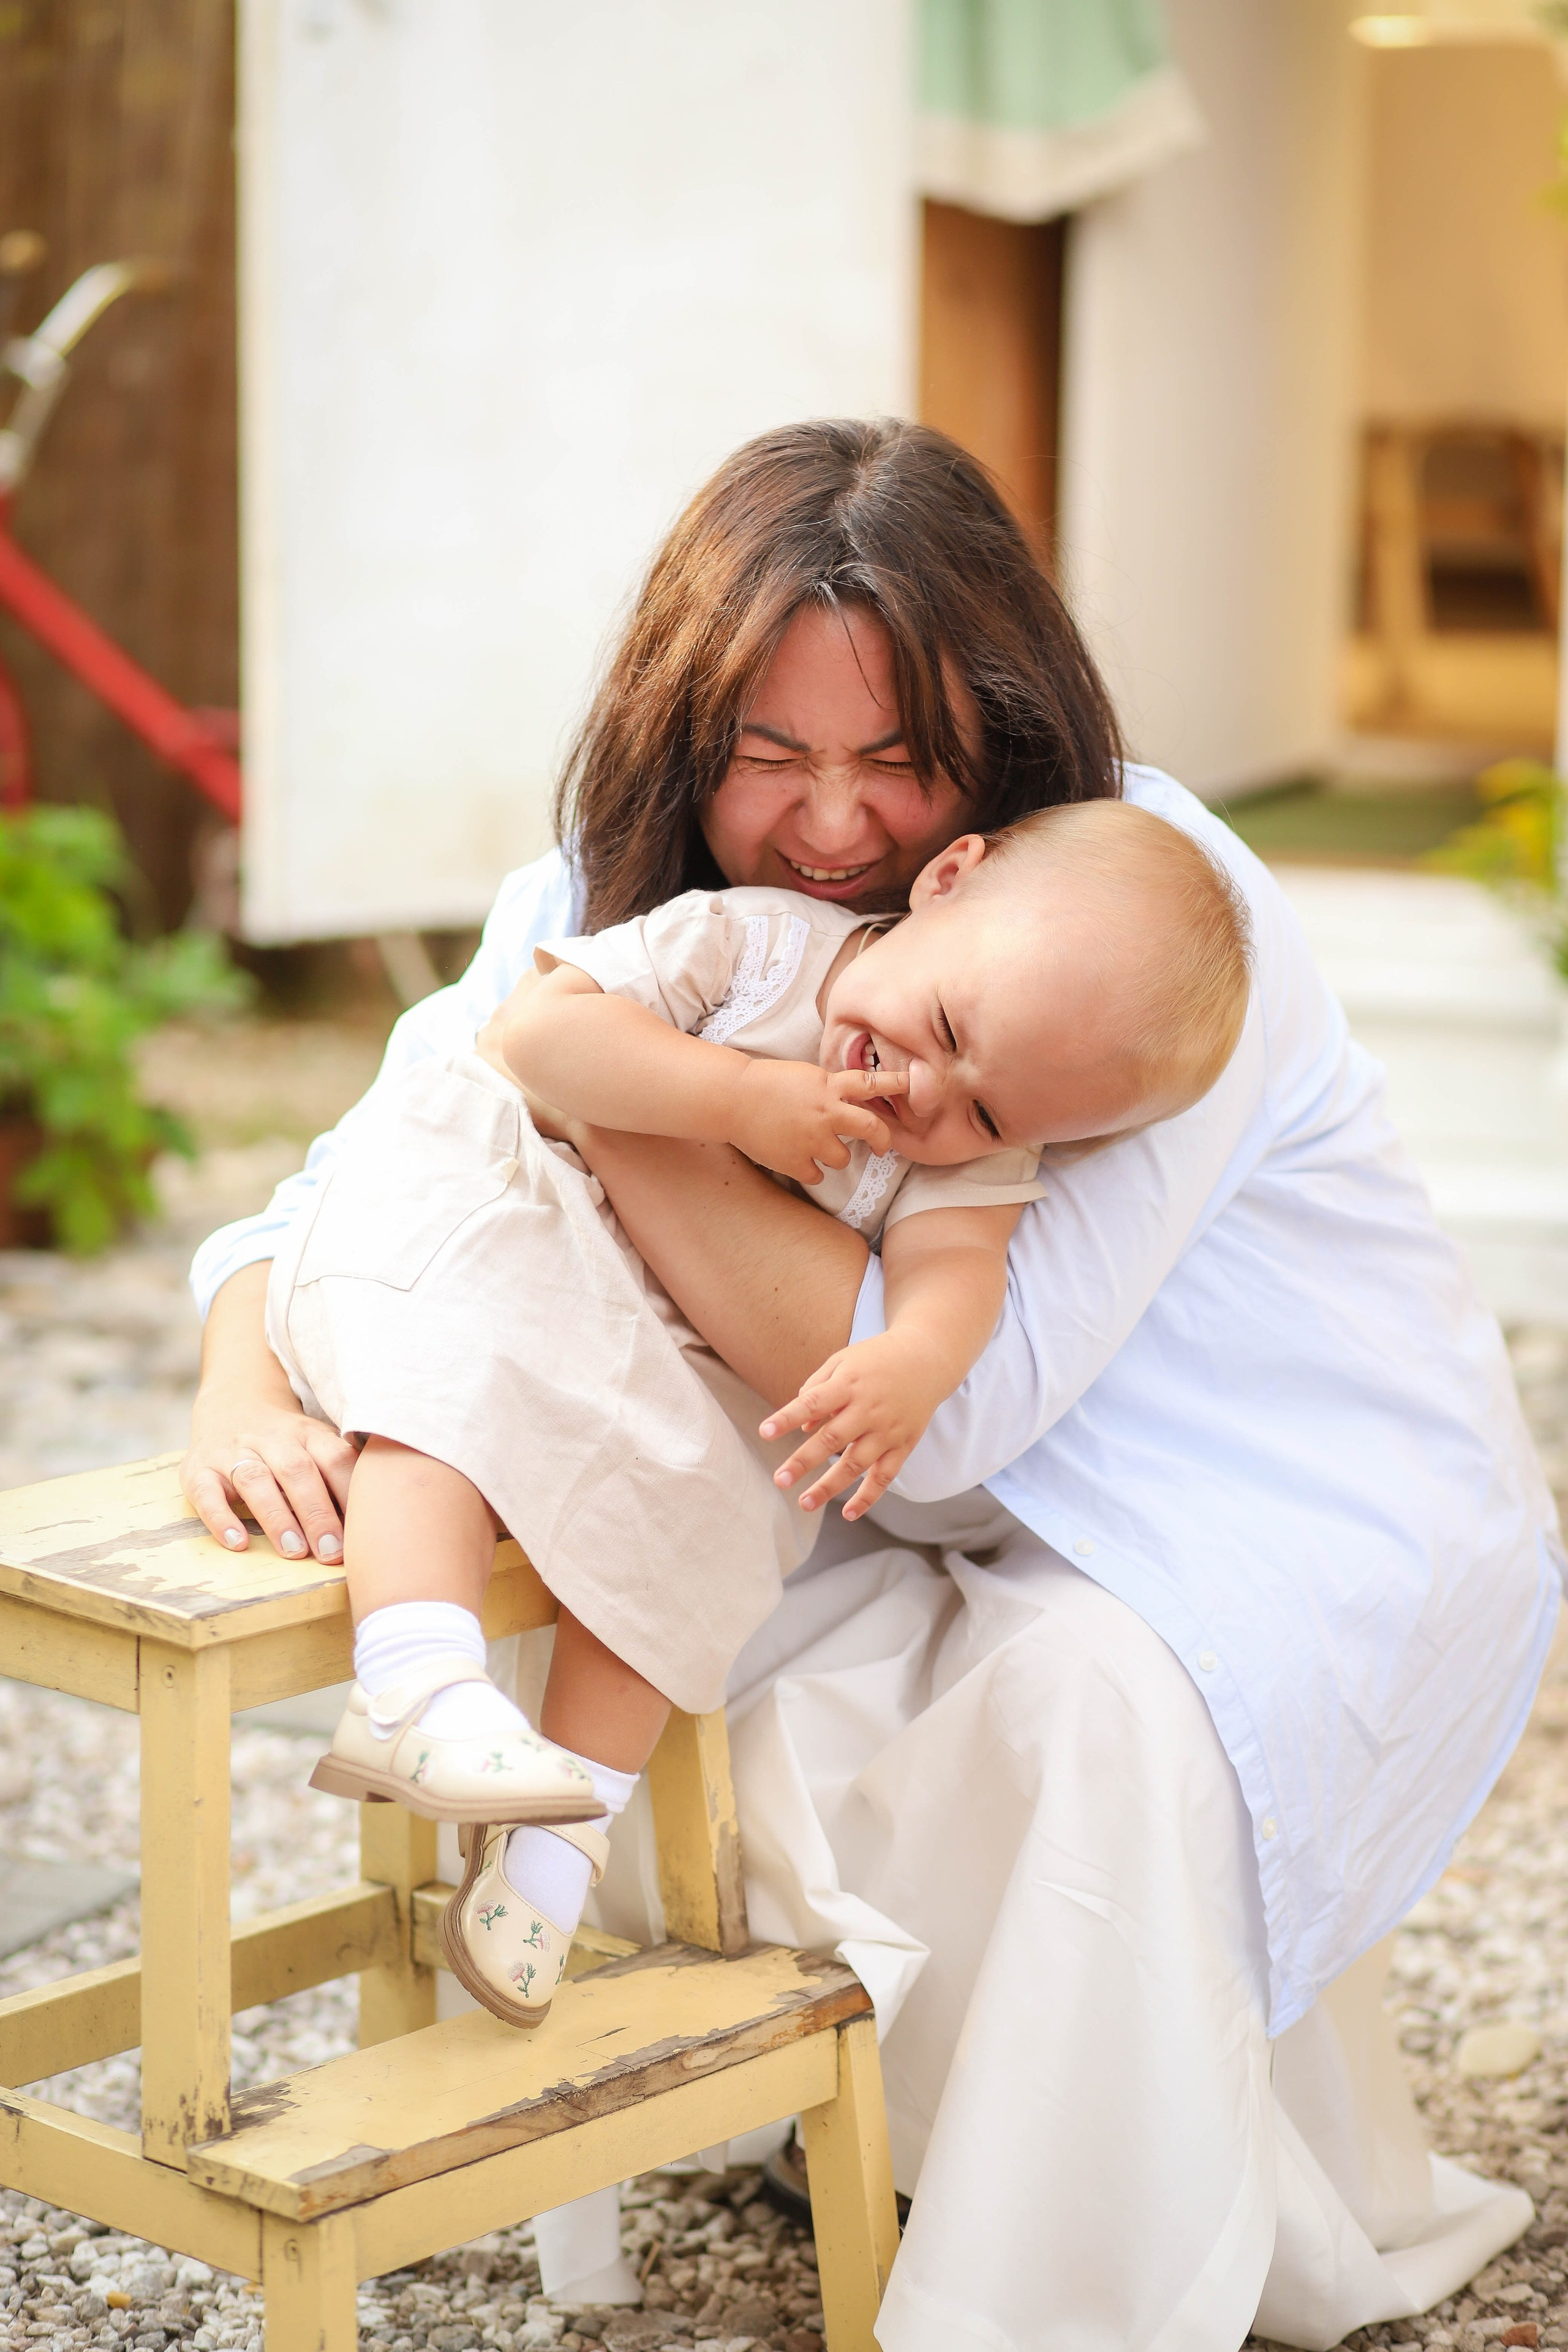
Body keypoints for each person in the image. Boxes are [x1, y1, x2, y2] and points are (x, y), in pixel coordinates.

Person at [184, 419, 1559, 2350]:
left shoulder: (1139, 932)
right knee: (603, 1516)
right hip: (911, 1501)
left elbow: (951, 1398)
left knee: (1096, 1697)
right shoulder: (633, 897)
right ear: (689, 740)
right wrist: (243, 1361)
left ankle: (1047, 2279)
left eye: (895, 763)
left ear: (985, 774)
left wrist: (619, 1097)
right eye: (771, 759)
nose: (831, 829)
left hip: (1229, 1496)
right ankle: (830, 2066)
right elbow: (374, 1156)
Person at [263, 800, 1251, 2027]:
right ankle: (415, 1677)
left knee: (701, 1535)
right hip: (516, 1218)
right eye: (941, 1026)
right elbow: (540, 1038)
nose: (921, 1092)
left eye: (989, 1112)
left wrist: (913, 1362)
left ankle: (549, 1859)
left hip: (652, 1344)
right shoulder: (761, 949)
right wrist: (732, 1096)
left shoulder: (964, 1156)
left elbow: (958, 1278)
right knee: (444, 1402)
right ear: (943, 881)